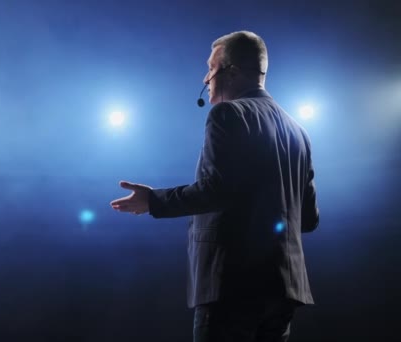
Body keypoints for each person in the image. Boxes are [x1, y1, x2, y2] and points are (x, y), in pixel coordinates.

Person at [110, 31, 319, 342]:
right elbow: (309, 219)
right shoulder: (298, 132)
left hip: (232, 286)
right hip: (285, 290)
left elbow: (214, 190)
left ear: (231, 70)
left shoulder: (226, 114)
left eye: (210, 68)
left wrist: (152, 200)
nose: (206, 78)